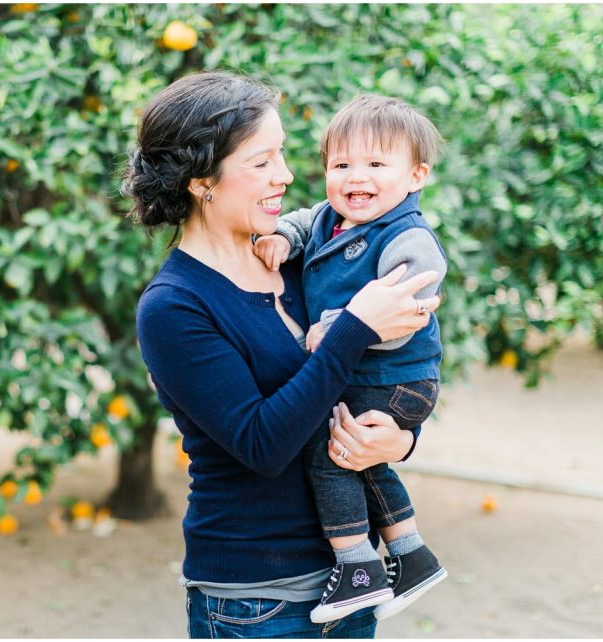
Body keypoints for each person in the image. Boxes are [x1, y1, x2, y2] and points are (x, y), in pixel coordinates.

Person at [122, 70, 440, 639]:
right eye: (262, 161)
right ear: (202, 180)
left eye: (285, 156)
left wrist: (399, 441)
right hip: (257, 601)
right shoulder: (175, 307)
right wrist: (354, 328)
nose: (287, 176)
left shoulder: (293, 257)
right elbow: (262, 444)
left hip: (352, 584)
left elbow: (365, 381)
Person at [252, 94, 449, 623]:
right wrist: (282, 240)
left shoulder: (407, 236)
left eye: (376, 164)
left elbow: (404, 307)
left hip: (398, 377)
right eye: (341, 165)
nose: (355, 177)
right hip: (372, 377)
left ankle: (357, 566)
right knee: (359, 457)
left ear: (416, 176)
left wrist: (338, 328)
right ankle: (411, 556)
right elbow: (300, 221)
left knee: (329, 452)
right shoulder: (329, 219)